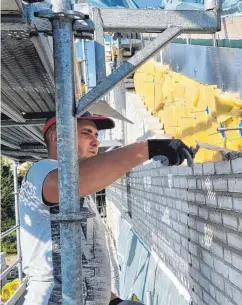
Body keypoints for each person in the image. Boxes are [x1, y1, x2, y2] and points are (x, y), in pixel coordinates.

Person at [18, 112, 193, 305]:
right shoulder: (41, 171)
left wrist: (113, 301)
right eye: (87, 133)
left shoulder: (82, 195)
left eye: (96, 135)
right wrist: (147, 149)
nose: (95, 142)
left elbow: (85, 261)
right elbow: (68, 183)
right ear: (57, 136)